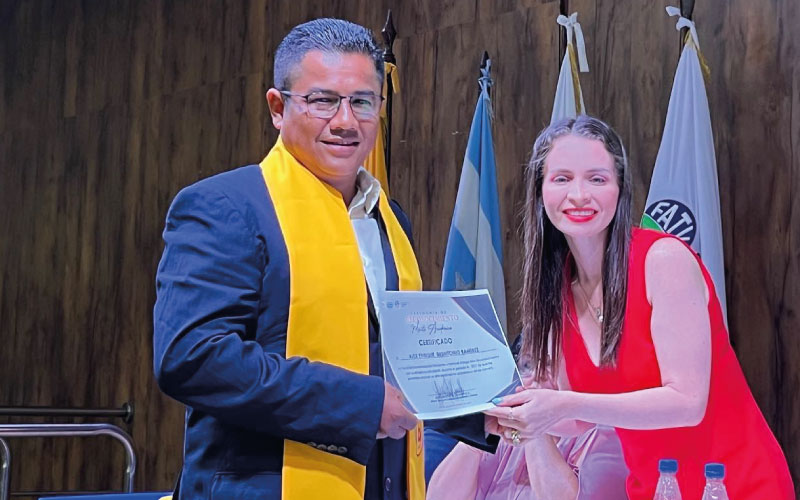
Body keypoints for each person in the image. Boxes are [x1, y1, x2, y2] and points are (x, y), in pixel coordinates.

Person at [153, 18, 489, 500]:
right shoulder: (227, 206)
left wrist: (478, 405)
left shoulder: (389, 219)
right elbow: (193, 357)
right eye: (322, 100)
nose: (346, 121)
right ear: (277, 107)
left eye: (362, 101)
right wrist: (362, 406)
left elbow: (393, 362)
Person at [485, 115, 794, 499]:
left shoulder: (662, 259)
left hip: (734, 484)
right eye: (562, 178)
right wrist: (520, 413)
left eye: (597, 179)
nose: (579, 195)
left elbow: (687, 402)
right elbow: (578, 419)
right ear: (540, 191)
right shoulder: (556, 289)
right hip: (655, 488)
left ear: (620, 189)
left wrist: (557, 403)